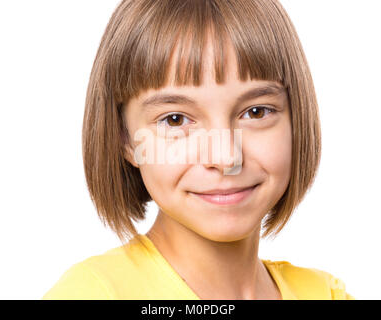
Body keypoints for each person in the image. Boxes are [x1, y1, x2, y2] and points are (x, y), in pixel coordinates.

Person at [42, 0, 354, 300]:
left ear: (297, 120)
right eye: (175, 120)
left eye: (256, 112)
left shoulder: (326, 294)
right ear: (125, 138)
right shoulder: (92, 294)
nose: (225, 158)